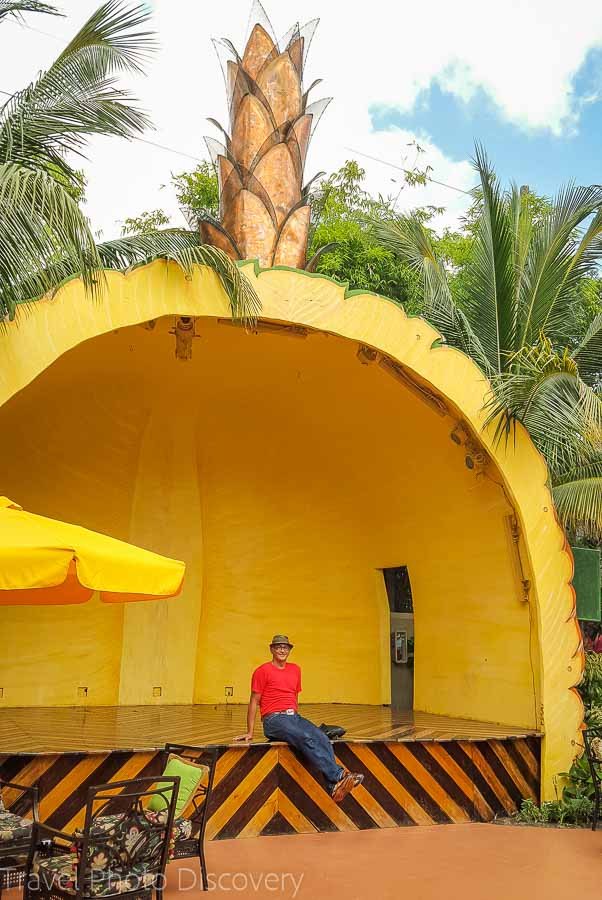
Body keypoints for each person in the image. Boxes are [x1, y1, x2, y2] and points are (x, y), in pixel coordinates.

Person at [234, 634, 364, 803]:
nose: (282, 650)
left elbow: (294, 696)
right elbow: (254, 701)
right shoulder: (262, 671)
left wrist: (298, 719)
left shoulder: (295, 669)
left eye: (285, 647)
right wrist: (250, 731)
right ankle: (340, 775)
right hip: (273, 720)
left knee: (320, 736)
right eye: (278, 647)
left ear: (289, 650)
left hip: (293, 716)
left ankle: (334, 787)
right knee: (304, 737)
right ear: (271, 649)